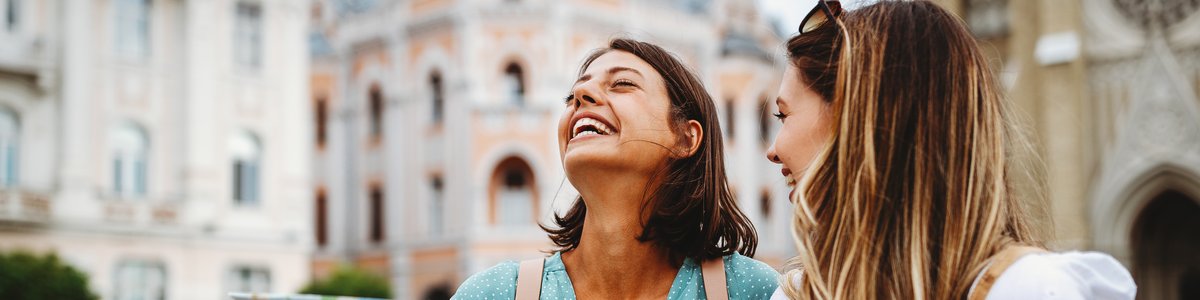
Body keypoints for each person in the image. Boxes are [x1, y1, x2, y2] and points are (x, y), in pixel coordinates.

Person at [763, 1, 1136, 299]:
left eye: (783, 115)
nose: (773, 150)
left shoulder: (1027, 288)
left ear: (860, 116)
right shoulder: (798, 294)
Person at [453, 38, 779, 300]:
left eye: (621, 83)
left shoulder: (753, 291)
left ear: (685, 138)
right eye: (572, 95)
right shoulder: (493, 293)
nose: (580, 95)